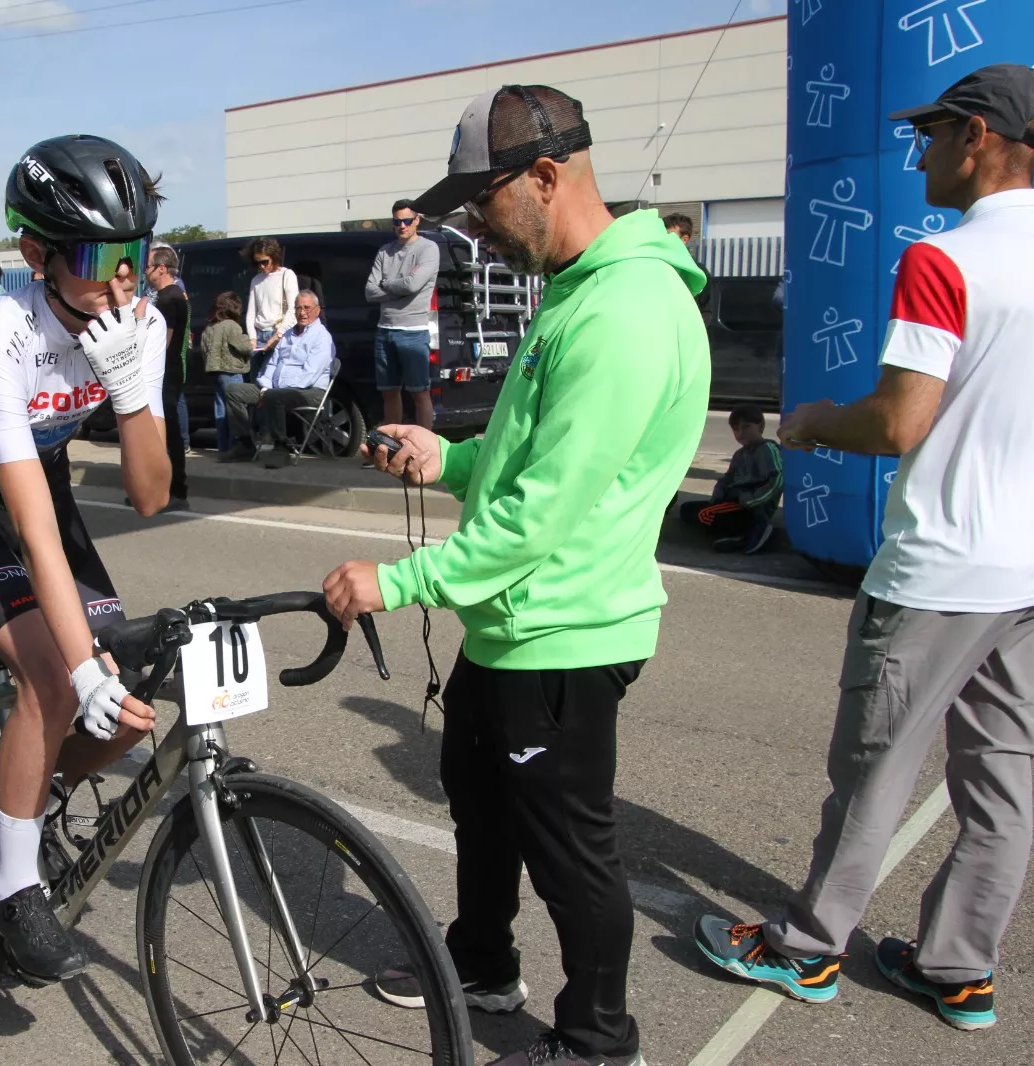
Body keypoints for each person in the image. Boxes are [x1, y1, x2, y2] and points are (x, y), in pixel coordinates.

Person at [324, 85, 709, 1066]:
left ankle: (594, 1040)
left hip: (567, 631)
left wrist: (399, 582)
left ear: (545, 176)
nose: (470, 231)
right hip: (513, 624)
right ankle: (482, 964)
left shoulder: (622, 311)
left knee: (571, 854)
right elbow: (525, 462)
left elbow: (545, 513)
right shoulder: (576, 288)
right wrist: (443, 456)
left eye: (478, 204)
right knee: (475, 795)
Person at [692, 63, 1034, 1035]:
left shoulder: (946, 260)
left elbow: (899, 422)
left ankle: (807, 946)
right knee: (999, 776)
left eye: (929, 134)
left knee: (873, 766)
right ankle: (958, 967)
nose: (920, 150)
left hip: (940, 566)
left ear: (975, 135)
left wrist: (811, 420)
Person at [0, 134, 170, 984]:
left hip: (42, 487)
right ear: (36, 251)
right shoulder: (3, 329)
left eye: (137, 252)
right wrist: (76, 672)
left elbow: (151, 496)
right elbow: (30, 527)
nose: (123, 278)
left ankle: (24, 786)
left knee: (132, 695)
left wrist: (132, 394)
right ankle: (16, 889)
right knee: (57, 679)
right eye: (101, 255)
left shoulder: (140, 321)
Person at [223, 289, 332, 467]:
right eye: (298, 308)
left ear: (318, 310)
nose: (302, 312)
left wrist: (272, 391)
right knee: (234, 391)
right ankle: (244, 443)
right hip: (274, 389)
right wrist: (265, 387)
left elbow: (308, 376)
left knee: (275, 397)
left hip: (308, 391)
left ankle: (281, 448)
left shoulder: (322, 337)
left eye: (307, 308)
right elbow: (272, 364)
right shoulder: (288, 334)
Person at [365, 199, 438, 432]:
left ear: (417, 220)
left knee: (420, 392)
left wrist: (386, 285)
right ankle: (393, 444)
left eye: (407, 221)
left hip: (413, 332)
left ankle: (425, 446)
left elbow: (413, 284)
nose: (402, 226)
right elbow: (369, 291)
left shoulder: (428, 249)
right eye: (397, 222)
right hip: (384, 330)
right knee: (389, 392)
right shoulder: (385, 252)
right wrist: (399, 287)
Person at [677, 404, 781, 553]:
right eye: (736, 429)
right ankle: (735, 535)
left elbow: (777, 480)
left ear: (760, 426)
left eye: (746, 427)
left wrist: (752, 500)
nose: (741, 433)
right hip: (732, 502)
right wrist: (719, 492)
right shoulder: (740, 454)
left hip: (751, 506)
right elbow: (728, 479)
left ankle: (751, 531)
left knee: (705, 514)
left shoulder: (767, 449)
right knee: (687, 510)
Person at [144, 245, 190, 507]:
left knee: (169, 434)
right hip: (165, 372)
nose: (145, 273)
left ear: (161, 268)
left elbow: (165, 339)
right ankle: (158, 491)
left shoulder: (170, 298)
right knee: (158, 434)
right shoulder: (167, 296)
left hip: (166, 373)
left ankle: (177, 492)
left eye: (148, 267)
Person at [201, 291, 253, 458]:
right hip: (232, 372)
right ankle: (234, 447)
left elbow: (204, 350)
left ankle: (222, 448)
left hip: (215, 373)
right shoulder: (232, 326)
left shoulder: (210, 327)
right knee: (235, 410)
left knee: (221, 410)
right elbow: (244, 347)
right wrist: (250, 342)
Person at [243, 235, 297, 354]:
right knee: (258, 373)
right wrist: (252, 337)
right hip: (259, 335)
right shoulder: (256, 280)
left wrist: (278, 335)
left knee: (277, 371)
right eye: (258, 263)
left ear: (273, 257)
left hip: (280, 332)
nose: (261, 266)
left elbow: (293, 309)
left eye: (265, 262)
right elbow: (251, 313)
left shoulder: (287, 275)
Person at [663, 213, 711, 308]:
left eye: (670, 237)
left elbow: (706, 310)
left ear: (685, 239)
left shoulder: (698, 272)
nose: (664, 241)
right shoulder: (655, 264)